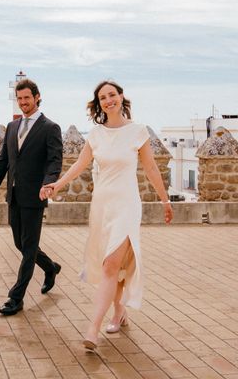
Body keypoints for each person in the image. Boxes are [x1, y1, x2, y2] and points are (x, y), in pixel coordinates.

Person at [40, 80, 173, 349]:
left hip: (127, 205)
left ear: (122, 97)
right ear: (99, 103)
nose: (108, 100)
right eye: (103, 97)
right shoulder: (96, 134)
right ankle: (119, 311)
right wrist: (57, 184)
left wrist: (165, 200)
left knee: (112, 264)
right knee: (111, 266)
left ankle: (93, 329)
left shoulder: (138, 132)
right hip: (102, 206)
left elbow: (151, 169)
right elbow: (79, 165)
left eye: (112, 94)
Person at [0, 79, 63, 316]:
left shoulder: (50, 128)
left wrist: (48, 184)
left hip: (35, 196)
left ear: (37, 97)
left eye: (27, 98)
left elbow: (54, 160)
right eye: (19, 99)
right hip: (14, 196)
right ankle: (50, 267)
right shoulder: (12, 127)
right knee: (21, 243)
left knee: (28, 249)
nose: (23, 103)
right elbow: (3, 161)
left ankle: (15, 298)